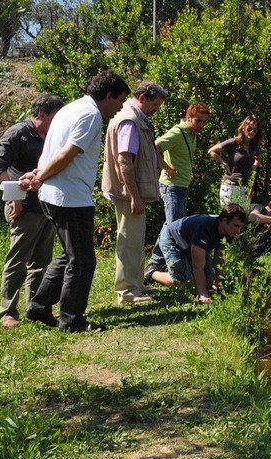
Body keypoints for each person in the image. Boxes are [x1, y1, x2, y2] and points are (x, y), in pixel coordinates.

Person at [19, 69, 130, 333]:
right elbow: (67, 153)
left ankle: (39, 306)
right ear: (109, 95)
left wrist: (38, 175)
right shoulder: (90, 114)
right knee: (83, 261)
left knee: (70, 255)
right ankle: (71, 319)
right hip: (70, 198)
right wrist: (40, 177)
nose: (120, 107)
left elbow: (51, 150)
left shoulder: (69, 109)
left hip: (55, 194)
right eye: (120, 101)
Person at [0, 93, 65, 328]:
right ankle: (7, 312)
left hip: (46, 206)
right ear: (41, 115)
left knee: (41, 261)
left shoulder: (52, 135)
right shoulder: (18, 133)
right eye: (55, 117)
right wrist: (15, 199)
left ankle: (35, 306)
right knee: (17, 261)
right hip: (24, 208)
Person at [101, 81, 168, 305]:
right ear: (142, 97)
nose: (155, 110)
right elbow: (124, 162)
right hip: (128, 194)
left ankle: (137, 285)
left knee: (136, 240)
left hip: (131, 193)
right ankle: (127, 291)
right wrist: (134, 196)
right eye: (154, 105)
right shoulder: (129, 121)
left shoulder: (134, 118)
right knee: (129, 241)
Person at [145, 102, 210, 276]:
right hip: (171, 187)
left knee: (171, 225)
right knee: (173, 227)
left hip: (182, 185)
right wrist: (166, 168)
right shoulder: (176, 133)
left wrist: (188, 172)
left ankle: (156, 263)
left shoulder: (192, 134)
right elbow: (153, 148)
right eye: (198, 121)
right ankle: (157, 264)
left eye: (204, 122)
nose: (201, 126)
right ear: (188, 117)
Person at [147, 205, 247, 303]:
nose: (238, 231)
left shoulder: (229, 232)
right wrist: (204, 295)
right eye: (236, 225)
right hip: (172, 238)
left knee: (208, 281)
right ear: (224, 220)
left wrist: (217, 282)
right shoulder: (205, 227)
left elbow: (219, 259)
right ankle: (152, 273)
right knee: (182, 281)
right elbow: (197, 266)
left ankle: (173, 267)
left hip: (192, 244)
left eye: (240, 227)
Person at [208, 114, 261, 209]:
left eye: (255, 130)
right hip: (230, 186)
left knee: (241, 219)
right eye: (249, 128)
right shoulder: (233, 143)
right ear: (243, 128)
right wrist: (224, 163)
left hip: (244, 188)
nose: (252, 132)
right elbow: (211, 151)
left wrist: (254, 167)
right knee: (229, 218)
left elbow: (257, 159)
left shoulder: (254, 147)